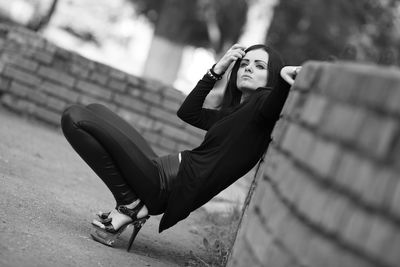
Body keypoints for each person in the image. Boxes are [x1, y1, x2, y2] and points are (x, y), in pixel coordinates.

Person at [60, 44, 301, 251]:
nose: (248, 67)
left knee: (75, 118)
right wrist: (217, 69)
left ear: (271, 76)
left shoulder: (262, 106)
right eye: (245, 63)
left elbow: (272, 105)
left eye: (259, 66)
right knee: (95, 109)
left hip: (165, 186)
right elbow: (188, 112)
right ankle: (134, 203)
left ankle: (131, 205)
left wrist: (283, 81)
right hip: (160, 169)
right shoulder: (235, 113)